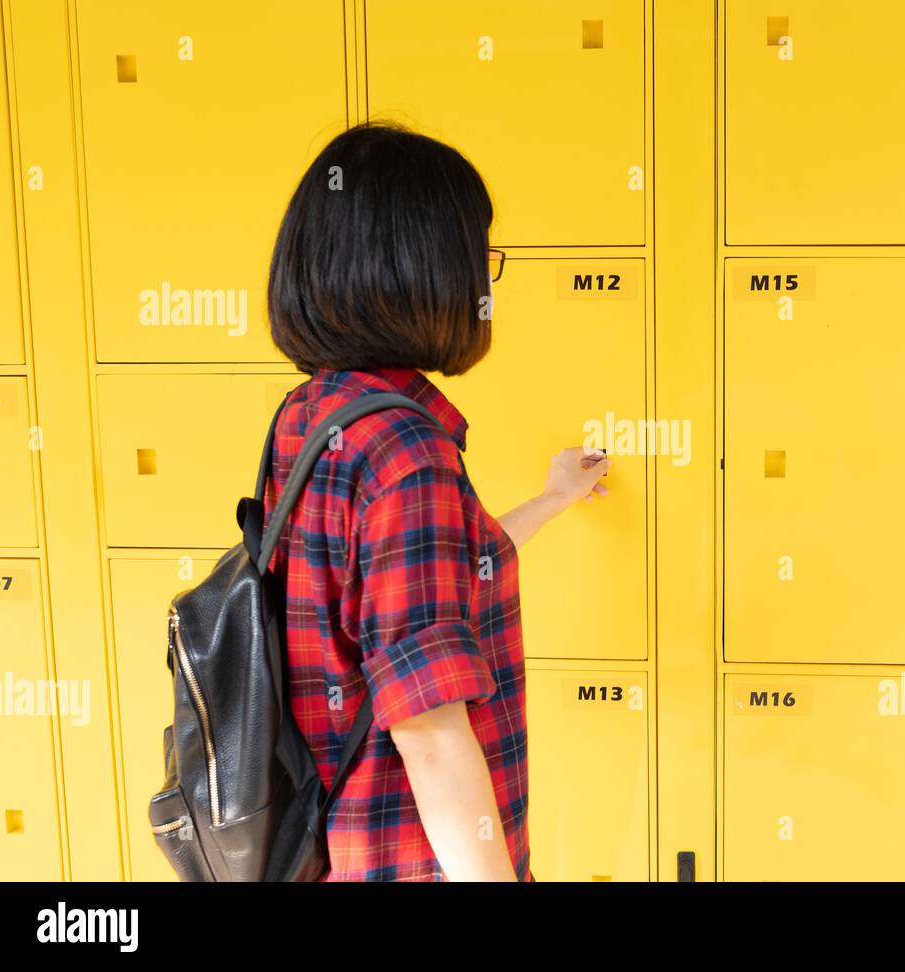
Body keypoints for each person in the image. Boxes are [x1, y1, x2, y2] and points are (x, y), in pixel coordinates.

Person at [262, 123, 609, 880]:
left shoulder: (314, 417)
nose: (487, 279)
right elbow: (429, 730)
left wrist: (551, 499)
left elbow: (425, 586)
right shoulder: (407, 455)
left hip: (332, 852)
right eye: (482, 256)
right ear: (425, 268)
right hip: (412, 862)